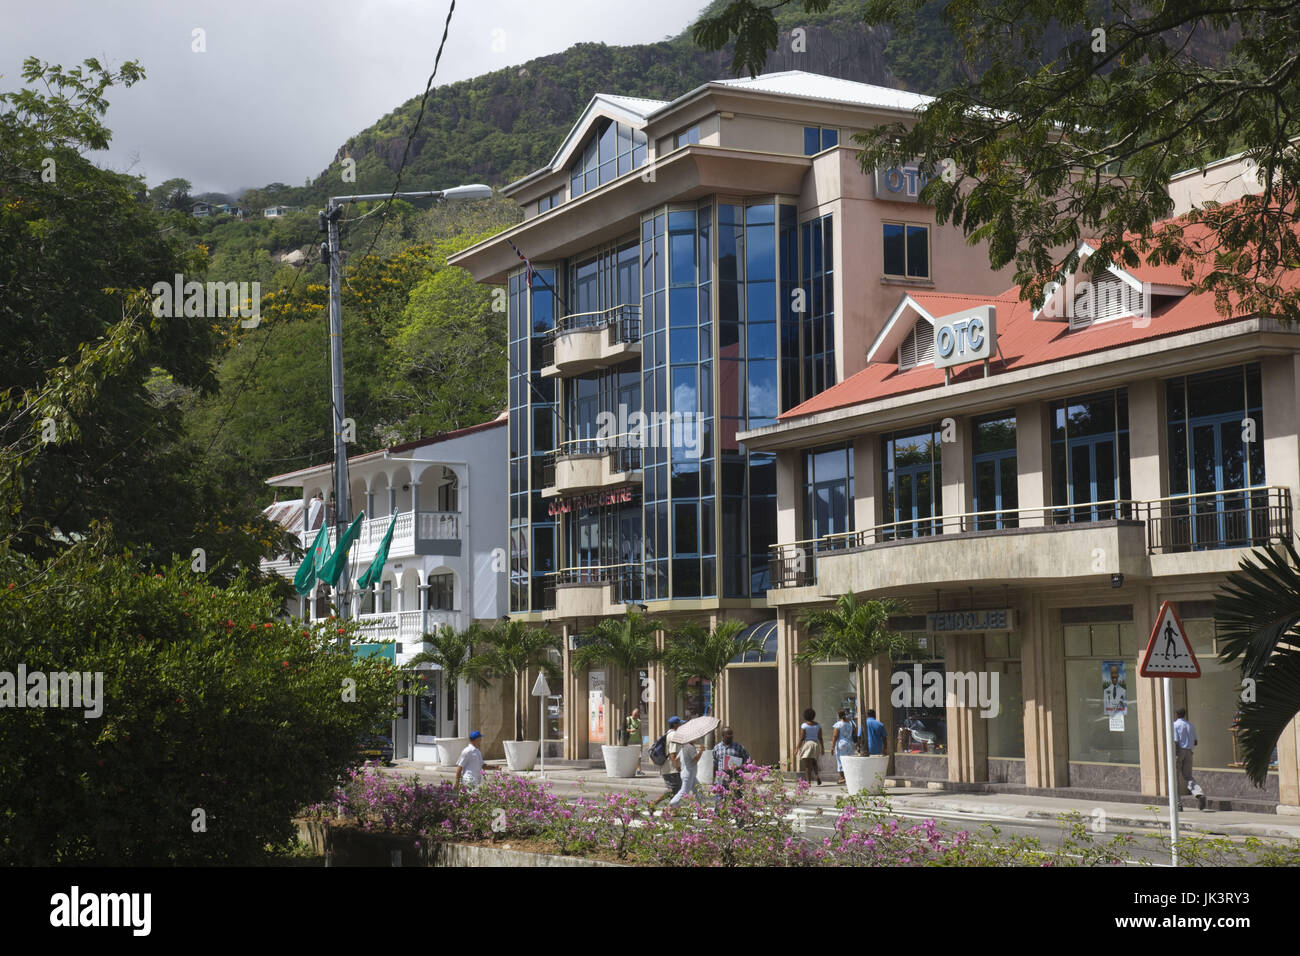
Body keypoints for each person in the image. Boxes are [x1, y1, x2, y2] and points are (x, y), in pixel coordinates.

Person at [1173, 707, 1206, 809]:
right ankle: (1198, 793)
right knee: (1188, 776)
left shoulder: (1175, 725)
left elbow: (1176, 741)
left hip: (1180, 751)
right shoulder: (1190, 725)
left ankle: (1178, 803)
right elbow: (1195, 742)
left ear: (1176, 714)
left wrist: (1176, 755)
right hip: (1189, 752)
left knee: (1175, 778)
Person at [650, 716, 685, 809]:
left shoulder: (668, 734)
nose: (681, 726)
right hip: (672, 768)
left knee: (675, 790)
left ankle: (673, 810)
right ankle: (654, 803)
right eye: (679, 724)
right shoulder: (674, 735)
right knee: (673, 789)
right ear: (675, 725)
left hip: (667, 767)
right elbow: (672, 753)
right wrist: (677, 766)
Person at [712, 726, 751, 794]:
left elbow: (748, 761)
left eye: (731, 734)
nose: (730, 736)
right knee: (720, 800)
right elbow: (715, 765)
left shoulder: (739, 747)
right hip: (721, 781)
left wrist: (739, 767)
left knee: (736, 799)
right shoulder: (716, 748)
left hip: (735, 781)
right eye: (728, 734)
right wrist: (713, 780)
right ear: (723, 735)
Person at [669, 730, 702, 807]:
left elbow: (676, 759)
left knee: (698, 789)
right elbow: (695, 759)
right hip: (688, 774)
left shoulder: (684, 747)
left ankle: (701, 806)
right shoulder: (690, 747)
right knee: (684, 792)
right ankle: (672, 803)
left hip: (688, 773)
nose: (696, 738)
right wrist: (701, 751)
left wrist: (678, 768)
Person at [797, 708, 824, 786]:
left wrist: (797, 748)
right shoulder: (818, 725)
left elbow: (802, 738)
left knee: (807, 765)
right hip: (815, 744)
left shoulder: (804, 725)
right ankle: (817, 775)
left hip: (808, 744)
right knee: (814, 761)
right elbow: (820, 738)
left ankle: (808, 782)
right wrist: (822, 748)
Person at [831, 709, 857, 785]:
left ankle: (843, 777)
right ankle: (849, 776)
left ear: (839, 715)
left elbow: (835, 736)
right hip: (850, 744)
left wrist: (832, 747)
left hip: (841, 744)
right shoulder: (851, 723)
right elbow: (855, 732)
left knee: (840, 760)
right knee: (849, 760)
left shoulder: (838, 724)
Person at [626, 707, 645, 776]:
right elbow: (624, 729)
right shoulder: (628, 719)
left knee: (639, 756)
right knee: (630, 756)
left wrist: (641, 740)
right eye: (634, 714)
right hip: (630, 741)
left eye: (636, 715)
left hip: (638, 741)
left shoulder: (639, 721)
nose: (635, 716)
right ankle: (629, 770)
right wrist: (631, 730)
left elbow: (640, 731)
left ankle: (639, 770)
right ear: (632, 713)